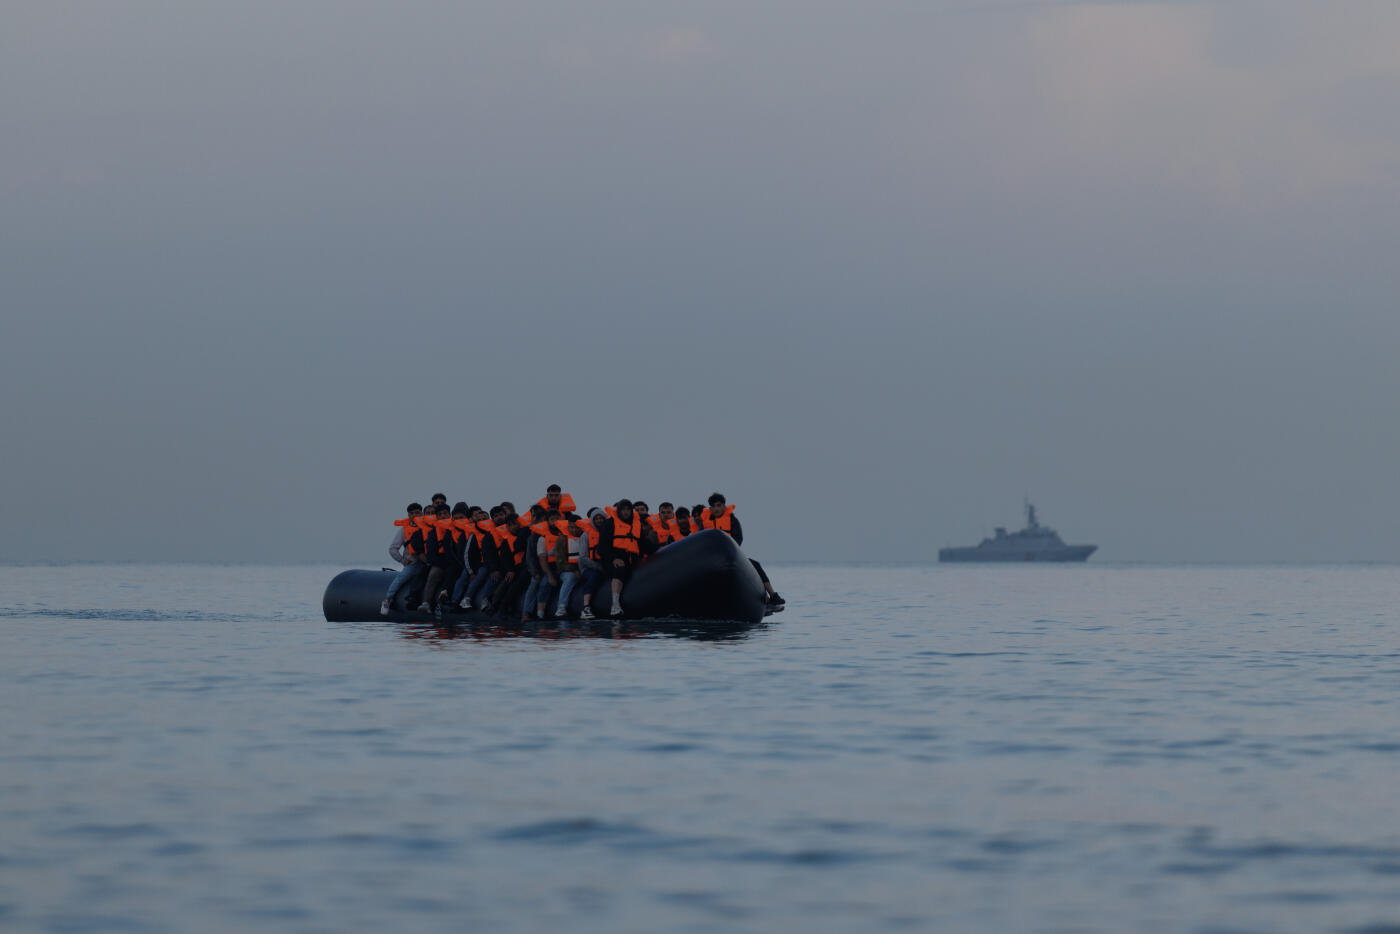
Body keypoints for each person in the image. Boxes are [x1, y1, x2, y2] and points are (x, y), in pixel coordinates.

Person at [702, 492, 784, 609]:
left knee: (755, 565)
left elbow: (738, 538)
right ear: (710, 508)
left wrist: (730, 552)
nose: (716, 509)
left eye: (719, 505)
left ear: (724, 506)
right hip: (711, 558)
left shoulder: (732, 520)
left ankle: (772, 596)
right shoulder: (705, 522)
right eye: (714, 506)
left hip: (730, 555)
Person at [599, 499, 643, 616]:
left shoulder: (636, 524)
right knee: (620, 569)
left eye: (628, 509)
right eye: (623, 509)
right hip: (613, 561)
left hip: (631, 559)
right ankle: (615, 605)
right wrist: (613, 558)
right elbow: (602, 546)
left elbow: (644, 543)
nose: (626, 512)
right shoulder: (609, 523)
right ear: (618, 511)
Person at [381, 502, 426, 615]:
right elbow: (393, 549)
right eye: (412, 513)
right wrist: (402, 560)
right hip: (414, 563)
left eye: (418, 512)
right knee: (401, 577)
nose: (415, 515)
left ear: (422, 513)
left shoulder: (429, 526)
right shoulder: (404, 530)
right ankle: (387, 600)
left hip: (429, 562)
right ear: (408, 515)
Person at [463, 507, 505, 610]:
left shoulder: (507, 529)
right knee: (484, 575)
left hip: (502, 563)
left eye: (485, 519)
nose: (483, 522)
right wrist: (471, 572)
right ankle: (468, 598)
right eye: (480, 520)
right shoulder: (480, 535)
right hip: (484, 564)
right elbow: (469, 554)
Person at [417, 503, 455, 614]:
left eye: (445, 514)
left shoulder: (456, 529)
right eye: (440, 514)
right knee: (434, 574)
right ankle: (426, 603)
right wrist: (443, 565)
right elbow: (431, 554)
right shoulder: (433, 533)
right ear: (437, 517)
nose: (443, 516)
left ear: (450, 515)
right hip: (440, 562)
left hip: (455, 562)